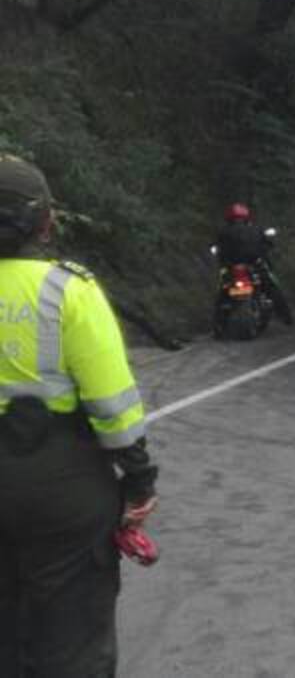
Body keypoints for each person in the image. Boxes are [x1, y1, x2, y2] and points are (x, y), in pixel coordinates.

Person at [0, 155, 159, 677]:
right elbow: (113, 406)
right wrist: (138, 483)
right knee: (73, 639)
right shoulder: (68, 291)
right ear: (44, 221)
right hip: (61, 484)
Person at [215, 202, 294, 325]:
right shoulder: (255, 229)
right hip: (252, 266)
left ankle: (219, 324)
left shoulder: (223, 232)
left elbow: (217, 249)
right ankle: (286, 317)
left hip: (234, 268)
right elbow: (268, 244)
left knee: (223, 292)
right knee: (272, 287)